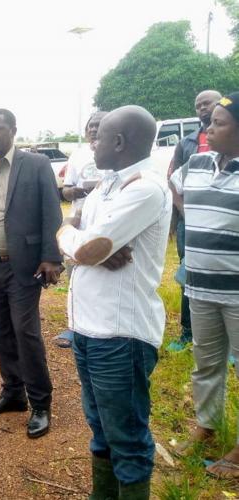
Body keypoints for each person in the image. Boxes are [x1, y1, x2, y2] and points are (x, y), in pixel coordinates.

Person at [57, 105, 171, 499]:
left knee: (128, 438)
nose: (93, 141)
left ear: (119, 142)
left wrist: (79, 241)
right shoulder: (106, 185)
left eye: (99, 135)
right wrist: (81, 240)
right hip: (88, 327)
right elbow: (84, 241)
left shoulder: (144, 188)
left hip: (121, 335)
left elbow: (86, 246)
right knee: (100, 429)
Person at [0, 108, 62, 439]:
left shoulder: (35, 165)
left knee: (26, 332)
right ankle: (13, 392)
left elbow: (51, 210)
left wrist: (51, 256)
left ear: (13, 130)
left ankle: (41, 403)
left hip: (24, 265)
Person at [170, 93, 239, 479]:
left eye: (220, 123)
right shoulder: (196, 161)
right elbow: (174, 185)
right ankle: (207, 427)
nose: (209, 129)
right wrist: (194, 215)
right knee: (206, 362)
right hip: (199, 286)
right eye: (210, 121)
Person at [166, 90, 222, 352]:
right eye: (198, 104)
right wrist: (184, 212)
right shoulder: (187, 143)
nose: (202, 108)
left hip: (225, 220)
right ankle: (188, 332)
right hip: (191, 222)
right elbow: (173, 180)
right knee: (189, 273)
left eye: (206, 103)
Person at [53, 111, 108, 349]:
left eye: (99, 125)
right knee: (75, 273)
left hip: (107, 224)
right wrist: (73, 192)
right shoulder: (78, 155)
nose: (94, 129)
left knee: (104, 274)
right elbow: (65, 190)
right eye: (91, 126)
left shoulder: (115, 153)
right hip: (79, 220)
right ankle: (75, 327)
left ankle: (102, 327)